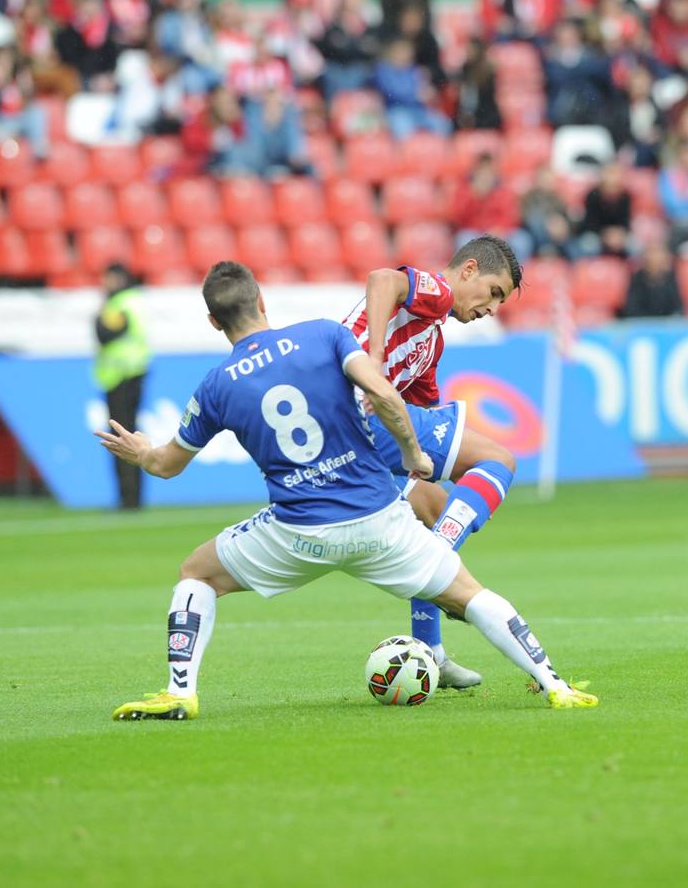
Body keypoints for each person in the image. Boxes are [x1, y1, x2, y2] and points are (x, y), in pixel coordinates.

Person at [97, 261, 597, 719]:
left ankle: (179, 691)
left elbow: (165, 465)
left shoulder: (216, 385)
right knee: (470, 593)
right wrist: (412, 454)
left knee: (197, 573)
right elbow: (380, 390)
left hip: (296, 531)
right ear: (263, 302)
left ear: (214, 322)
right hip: (379, 521)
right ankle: (553, 683)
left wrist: (141, 451)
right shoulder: (324, 336)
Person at [342, 236, 523, 690]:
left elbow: (421, 414)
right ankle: (439, 554)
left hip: (360, 435)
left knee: (434, 508)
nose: (492, 308)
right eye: (493, 292)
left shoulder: (431, 341)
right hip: (348, 409)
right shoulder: (436, 292)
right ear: (468, 271)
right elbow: (383, 279)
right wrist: (376, 363)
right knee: (497, 460)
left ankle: (433, 653)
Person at [94, 264, 150, 511]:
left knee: (121, 438)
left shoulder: (120, 304)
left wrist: (98, 318)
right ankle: (133, 497)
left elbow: (105, 333)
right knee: (130, 435)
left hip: (121, 376)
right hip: (133, 372)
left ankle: (128, 499)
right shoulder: (134, 300)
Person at [621, 242, 684, 319]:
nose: (655, 257)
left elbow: (677, 307)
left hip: (667, 326)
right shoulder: (637, 278)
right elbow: (632, 308)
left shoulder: (671, 277)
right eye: (652, 253)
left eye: (659, 253)